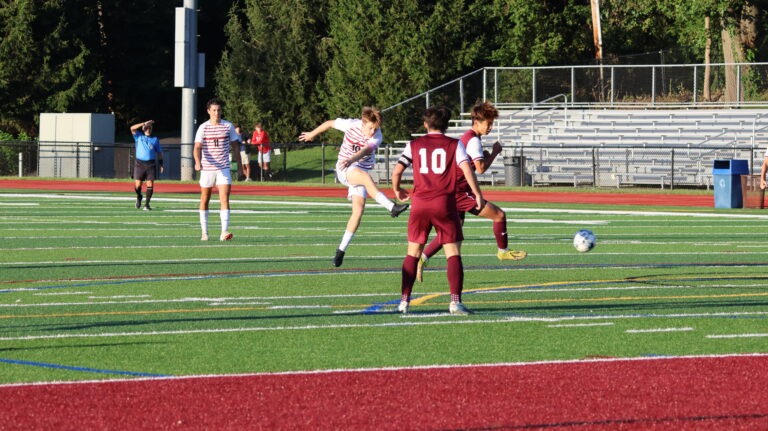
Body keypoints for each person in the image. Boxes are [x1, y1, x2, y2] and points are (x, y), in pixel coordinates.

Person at [416, 101, 527, 282]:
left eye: (492, 123)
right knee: (499, 215)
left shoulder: (468, 137)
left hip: (452, 188)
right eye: (488, 123)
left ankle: (423, 258)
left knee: (452, 231)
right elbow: (480, 168)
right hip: (460, 191)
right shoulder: (473, 140)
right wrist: (495, 153)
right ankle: (503, 251)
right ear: (476, 122)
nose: (490, 127)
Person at [392, 106, 484, 315]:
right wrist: (477, 193)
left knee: (412, 252)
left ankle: (404, 301)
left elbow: (397, 170)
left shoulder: (414, 144)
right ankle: (455, 302)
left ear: (425, 124)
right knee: (452, 252)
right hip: (444, 203)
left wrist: (397, 190)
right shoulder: (454, 144)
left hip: (420, 204)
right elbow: (466, 168)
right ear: (447, 125)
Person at [299, 107, 409, 267]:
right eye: (370, 127)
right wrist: (311, 134)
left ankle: (341, 250)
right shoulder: (351, 124)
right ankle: (391, 207)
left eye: (375, 128)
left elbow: (366, 150)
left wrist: (353, 159)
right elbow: (330, 123)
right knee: (365, 178)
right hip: (344, 169)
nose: (373, 132)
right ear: (363, 123)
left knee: (358, 212)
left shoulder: (377, 136)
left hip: (358, 168)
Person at [194, 98, 238, 241]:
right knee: (205, 198)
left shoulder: (228, 126)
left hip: (223, 168)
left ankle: (224, 232)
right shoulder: (203, 127)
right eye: (214, 110)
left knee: (224, 199)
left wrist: (239, 165)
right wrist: (197, 162)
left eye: (219, 110)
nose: (216, 113)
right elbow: (197, 147)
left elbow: (235, 145)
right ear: (208, 111)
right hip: (207, 168)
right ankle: (204, 232)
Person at [130, 120, 163, 211]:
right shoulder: (139, 136)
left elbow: (159, 152)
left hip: (150, 164)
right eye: (146, 128)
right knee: (137, 186)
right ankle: (139, 196)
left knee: (150, 184)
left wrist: (161, 163)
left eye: (150, 128)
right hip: (139, 163)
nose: (148, 129)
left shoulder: (155, 139)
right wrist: (143, 123)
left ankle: (147, 204)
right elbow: (132, 128)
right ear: (143, 129)